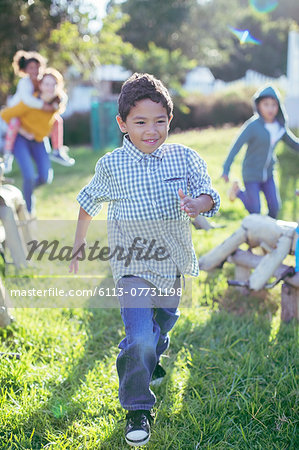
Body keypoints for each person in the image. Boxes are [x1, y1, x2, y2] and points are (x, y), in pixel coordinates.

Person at [69, 73, 220, 447]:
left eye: (159, 122)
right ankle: (137, 407)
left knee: (161, 328)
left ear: (170, 120)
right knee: (139, 336)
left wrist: (196, 204)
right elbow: (87, 204)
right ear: (122, 124)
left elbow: (209, 195)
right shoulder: (112, 166)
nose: (151, 130)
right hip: (131, 265)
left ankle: (146, 359)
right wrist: (77, 245)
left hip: (171, 265)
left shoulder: (185, 157)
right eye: (140, 122)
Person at [221, 85, 299, 219]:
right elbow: (236, 146)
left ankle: (266, 230)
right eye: (266, 104)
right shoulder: (252, 126)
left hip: (269, 174)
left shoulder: (279, 127)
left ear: (278, 107)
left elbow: (294, 143)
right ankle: (238, 192)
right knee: (255, 210)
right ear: (258, 106)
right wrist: (226, 169)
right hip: (251, 173)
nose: (270, 108)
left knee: (275, 208)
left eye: (273, 105)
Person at [0, 68, 66, 214]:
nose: (50, 88)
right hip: (21, 140)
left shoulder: (55, 105)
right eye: (47, 84)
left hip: (39, 141)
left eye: (53, 84)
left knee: (45, 177)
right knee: (29, 176)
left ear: (58, 87)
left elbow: (54, 123)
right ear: (40, 85)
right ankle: (29, 211)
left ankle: (26, 191)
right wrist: (23, 131)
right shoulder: (30, 102)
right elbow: (5, 114)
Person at [3, 50, 74, 173]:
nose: (35, 70)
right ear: (25, 70)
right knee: (15, 122)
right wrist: (43, 106)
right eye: (31, 68)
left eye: (38, 67)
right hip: (15, 112)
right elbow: (27, 101)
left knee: (57, 120)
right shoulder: (25, 83)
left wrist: (57, 101)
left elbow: (59, 93)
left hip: (34, 128)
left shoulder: (42, 82)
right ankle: (7, 155)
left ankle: (57, 150)